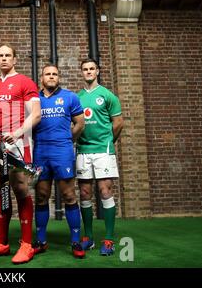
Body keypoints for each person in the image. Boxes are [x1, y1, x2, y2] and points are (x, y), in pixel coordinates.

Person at [0, 44, 41, 264]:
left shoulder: (25, 82)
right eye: (0, 56)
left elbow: (36, 115)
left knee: (20, 189)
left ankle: (26, 245)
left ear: (14, 59)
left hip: (18, 144)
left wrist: (18, 133)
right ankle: (2, 242)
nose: (4, 59)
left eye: (7, 55)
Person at [32, 64, 85, 258]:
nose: (51, 76)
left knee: (69, 195)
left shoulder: (70, 97)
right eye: (48, 74)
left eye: (55, 74)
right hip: (40, 152)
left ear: (59, 77)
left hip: (62, 152)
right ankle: (41, 240)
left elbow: (80, 123)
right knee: (41, 195)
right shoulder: (34, 99)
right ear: (42, 77)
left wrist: (67, 140)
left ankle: (75, 242)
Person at [76, 58, 123, 256]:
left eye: (92, 69)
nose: (88, 72)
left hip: (103, 150)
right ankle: (88, 238)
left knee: (105, 191)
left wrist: (108, 142)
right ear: (82, 72)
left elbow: (119, 123)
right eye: (85, 69)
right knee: (85, 193)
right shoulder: (76, 97)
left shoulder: (107, 95)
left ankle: (109, 239)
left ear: (97, 71)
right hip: (83, 149)